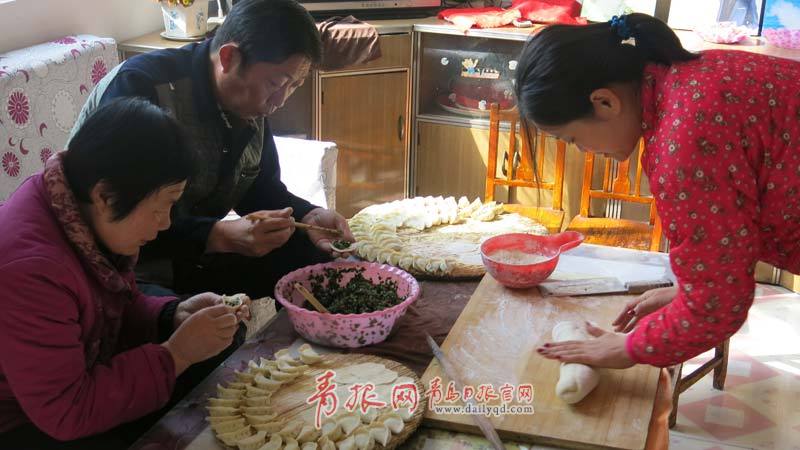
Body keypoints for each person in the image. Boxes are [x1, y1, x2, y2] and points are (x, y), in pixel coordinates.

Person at [518, 14, 800, 370]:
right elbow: (732, 238)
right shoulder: (693, 75)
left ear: (604, 102)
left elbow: (718, 305)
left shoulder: (682, 144)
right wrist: (689, 288)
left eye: (572, 139)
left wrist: (627, 349)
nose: (582, 151)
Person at [0, 98, 248, 449]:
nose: (165, 224)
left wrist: (171, 316)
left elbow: (114, 305)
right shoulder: (31, 269)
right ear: (105, 195)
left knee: (219, 342)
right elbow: (66, 411)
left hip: (78, 369)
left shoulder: (77, 208)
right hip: (23, 420)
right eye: (161, 206)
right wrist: (176, 354)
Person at [70, 0, 355, 299]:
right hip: (125, 262)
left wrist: (308, 215)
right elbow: (118, 212)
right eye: (275, 83)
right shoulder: (142, 88)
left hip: (193, 252)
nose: (281, 100)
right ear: (229, 57)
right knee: (208, 326)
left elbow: (258, 187)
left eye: (294, 85)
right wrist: (216, 236)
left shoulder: (249, 105)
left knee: (313, 257)